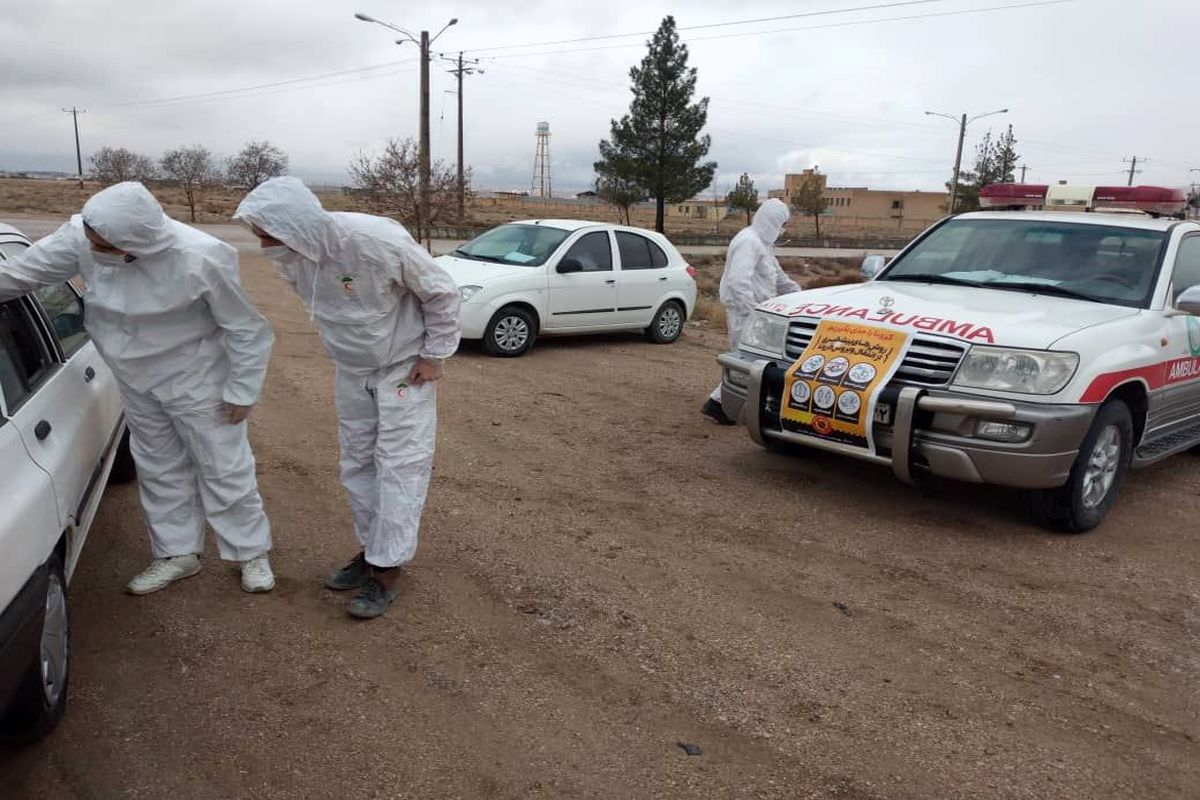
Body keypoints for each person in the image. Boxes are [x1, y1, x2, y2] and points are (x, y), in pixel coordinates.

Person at [0, 182, 276, 594]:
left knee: (223, 465)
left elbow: (245, 328)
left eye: (102, 244)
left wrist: (241, 390)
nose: (91, 247)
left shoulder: (202, 257)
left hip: (195, 376)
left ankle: (250, 552)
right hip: (131, 375)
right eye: (90, 238)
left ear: (135, 244)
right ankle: (176, 553)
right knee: (157, 464)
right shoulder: (84, 235)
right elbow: (20, 273)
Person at [233, 177, 460, 620]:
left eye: (268, 235)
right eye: (259, 236)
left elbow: (442, 291)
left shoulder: (375, 240)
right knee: (356, 462)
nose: (264, 246)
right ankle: (371, 550)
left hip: (403, 369)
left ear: (296, 225)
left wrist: (434, 356)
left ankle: (388, 570)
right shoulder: (293, 255)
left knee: (399, 466)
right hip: (353, 370)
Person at [703, 198, 800, 425]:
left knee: (756, 363)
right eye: (782, 223)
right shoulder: (749, 242)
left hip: (761, 314)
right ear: (772, 221)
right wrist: (752, 313)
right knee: (746, 363)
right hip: (745, 314)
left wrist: (800, 294)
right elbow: (738, 282)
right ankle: (719, 405)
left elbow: (777, 276)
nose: (784, 229)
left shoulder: (763, 244)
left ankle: (723, 404)